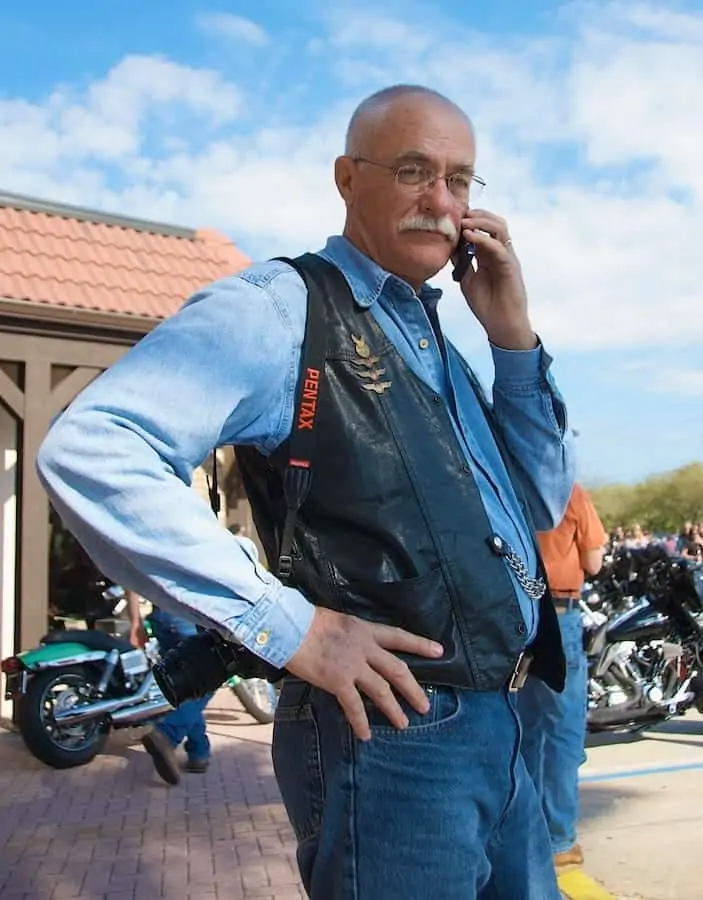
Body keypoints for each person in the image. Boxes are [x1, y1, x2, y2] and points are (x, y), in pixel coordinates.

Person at [36, 84, 574, 899]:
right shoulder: (281, 307)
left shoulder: (437, 339)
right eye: (413, 170)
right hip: (393, 738)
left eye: (460, 180)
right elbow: (93, 446)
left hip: (505, 727)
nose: (441, 201)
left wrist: (511, 338)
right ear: (346, 178)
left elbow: (537, 504)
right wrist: (292, 630)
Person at [518, 483, 607, 870]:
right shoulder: (568, 492)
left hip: (513, 615)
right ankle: (558, 840)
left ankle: (522, 833)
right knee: (561, 729)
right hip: (559, 612)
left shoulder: (500, 478)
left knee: (522, 727)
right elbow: (595, 561)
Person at [127, 591, 213, 783]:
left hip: (163, 618)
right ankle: (167, 734)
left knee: (188, 684)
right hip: (189, 614)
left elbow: (129, 579)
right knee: (208, 677)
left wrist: (135, 622)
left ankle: (199, 751)